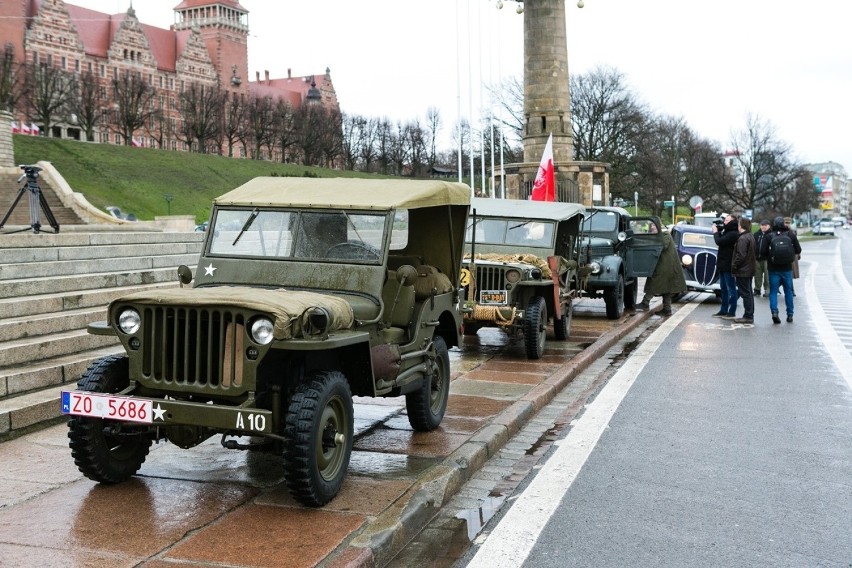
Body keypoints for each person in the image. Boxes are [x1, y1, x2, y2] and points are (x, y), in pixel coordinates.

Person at [635, 225, 687, 316]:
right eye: (651, 227)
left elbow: (662, 246)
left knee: (654, 282)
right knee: (667, 287)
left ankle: (645, 303)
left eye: (654, 226)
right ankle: (667, 309)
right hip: (666, 265)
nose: (652, 228)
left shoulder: (664, 234)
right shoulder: (663, 234)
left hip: (665, 265)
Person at [759, 216, 802, 324]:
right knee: (788, 292)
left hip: (773, 268)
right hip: (787, 268)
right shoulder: (790, 234)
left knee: (773, 292)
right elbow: (798, 249)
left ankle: (774, 312)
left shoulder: (769, 236)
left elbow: (763, 252)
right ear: (783, 224)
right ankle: (790, 314)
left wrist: (771, 256)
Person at [711, 213, 740, 319]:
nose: (724, 222)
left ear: (732, 221)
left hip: (729, 264)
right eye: (725, 220)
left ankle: (732, 311)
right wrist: (719, 231)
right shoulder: (727, 231)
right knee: (723, 288)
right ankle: (723, 310)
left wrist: (715, 232)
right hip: (723, 264)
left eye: (727, 220)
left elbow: (719, 241)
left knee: (731, 288)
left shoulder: (733, 233)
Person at [731, 217, 756, 324]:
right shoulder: (750, 236)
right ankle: (749, 314)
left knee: (745, 293)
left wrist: (734, 265)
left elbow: (740, 255)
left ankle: (748, 316)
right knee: (749, 293)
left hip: (743, 270)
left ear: (741, 226)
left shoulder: (742, 238)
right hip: (749, 269)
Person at [752, 219, 771, 296]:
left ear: (769, 226)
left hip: (767, 259)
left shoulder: (771, 234)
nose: (763, 227)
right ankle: (757, 289)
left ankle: (767, 289)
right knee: (757, 275)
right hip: (757, 258)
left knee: (767, 276)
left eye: (765, 225)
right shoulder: (756, 234)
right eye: (762, 225)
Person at [784, 217, 799, 296]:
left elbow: (797, 244)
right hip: (782, 255)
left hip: (791, 255)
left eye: (788, 223)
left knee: (789, 274)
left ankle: (791, 290)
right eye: (786, 223)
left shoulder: (793, 232)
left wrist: (798, 255)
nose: (787, 224)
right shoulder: (780, 231)